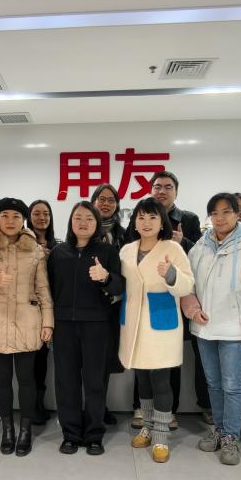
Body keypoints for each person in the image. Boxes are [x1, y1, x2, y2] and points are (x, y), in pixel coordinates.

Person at [181, 193, 241, 466]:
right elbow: (187, 285)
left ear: (237, 214)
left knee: (232, 386)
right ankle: (219, 429)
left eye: (226, 212)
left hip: (236, 330)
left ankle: (231, 436)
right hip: (204, 327)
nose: (220, 218)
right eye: (215, 213)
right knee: (213, 383)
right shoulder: (200, 247)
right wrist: (192, 309)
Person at [0, 197, 54, 457]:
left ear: (23, 220)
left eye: (16, 216)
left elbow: (43, 289)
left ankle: (25, 430)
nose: (10, 221)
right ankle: (7, 429)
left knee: (27, 379)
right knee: (1, 380)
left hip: (26, 321)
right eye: (5, 216)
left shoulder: (35, 250)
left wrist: (48, 322)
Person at [121, 197, 195, 463]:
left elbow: (188, 285)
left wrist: (171, 274)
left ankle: (161, 435)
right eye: (141, 217)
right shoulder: (126, 250)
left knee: (161, 381)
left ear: (162, 222)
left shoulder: (172, 249)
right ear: (134, 222)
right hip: (134, 323)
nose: (146, 222)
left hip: (161, 323)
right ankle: (147, 426)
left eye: (152, 217)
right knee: (142, 379)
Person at [48, 201, 124, 455]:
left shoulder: (108, 251)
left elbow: (120, 287)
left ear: (97, 223)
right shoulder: (58, 253)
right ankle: (70, 435)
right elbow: (49, 289)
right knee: (66, 382)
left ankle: (94, 435)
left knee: (95, 382)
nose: (83, 223)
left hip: (97, 326)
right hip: (64, 326)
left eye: (89, 219)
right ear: (71, 221)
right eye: (78, 217)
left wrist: (106, 278)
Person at [139, 170, 208, 428]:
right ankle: (142, 409)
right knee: (142, 357)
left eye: (168, 187)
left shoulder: (188, 219)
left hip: (176, 298)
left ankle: (171, 411)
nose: (162, 191)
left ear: (176, 192)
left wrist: (183, 242)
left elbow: (200, 257)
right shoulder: (143, 217)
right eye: (157, 186)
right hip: (146, 299)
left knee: (170, 358)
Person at [91, 183, 129, 424]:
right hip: (87, 304)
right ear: (93, 202)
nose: (106, 204)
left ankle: (98, 407)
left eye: (111, 200)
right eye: (101, 199)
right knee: (85, 362)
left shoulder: (125, 234)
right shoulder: (84, 230)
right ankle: (86, 408)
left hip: (114, 304)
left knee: (104, 361)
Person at [28, 199, 57, 424]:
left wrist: (51, 259)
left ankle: (40, 402)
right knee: (30, 360)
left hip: (50, 308)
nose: (41, 218)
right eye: (36, 213)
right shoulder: (22, 244)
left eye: (46, 213)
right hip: (29, 308)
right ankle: (32, 407)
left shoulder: (58, 245)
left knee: (42, 359)